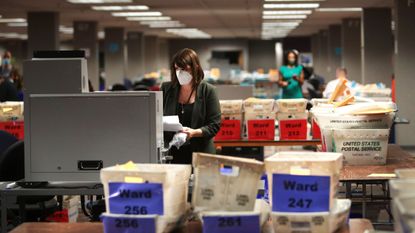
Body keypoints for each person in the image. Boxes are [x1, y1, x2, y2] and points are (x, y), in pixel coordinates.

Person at [161, 48, 221, 164]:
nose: (180, 73)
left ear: (196, 67)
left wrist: (194, 132)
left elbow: (214, 125)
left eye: (184, 69)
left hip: (200, 152)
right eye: (177, 69)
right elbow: (156, 118)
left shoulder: (208, 91)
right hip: (172, 152)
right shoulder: (166, 89)